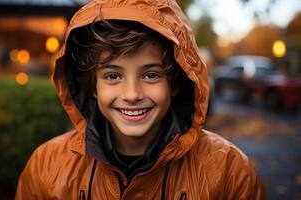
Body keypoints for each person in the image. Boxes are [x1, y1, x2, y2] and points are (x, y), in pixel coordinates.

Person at [16, 0, 266, 199]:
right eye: (113, 75)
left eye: (151, 75)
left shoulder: (228, 171)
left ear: (175, 83)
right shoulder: (46, 167)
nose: (132, 94)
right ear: (93, 86)